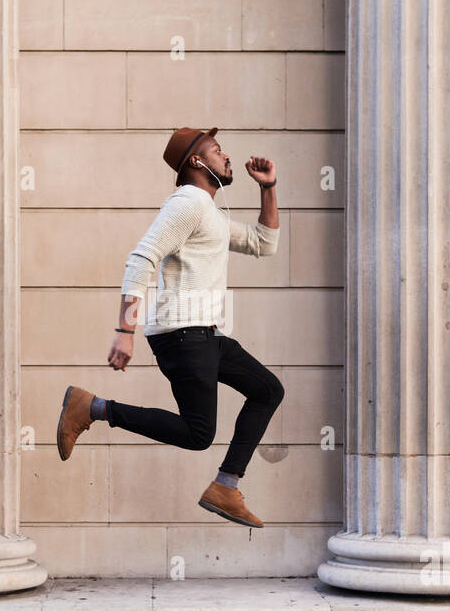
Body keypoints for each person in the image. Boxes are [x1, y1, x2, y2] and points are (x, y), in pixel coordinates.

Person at [56, 126, 284, 527]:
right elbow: (141, 258)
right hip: (183, 334)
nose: (227, 156)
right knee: (198, 434)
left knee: (267, 390)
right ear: (197, 162)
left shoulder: (207, 212)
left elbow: (262, 243)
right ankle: (93, 407)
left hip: (206, 335)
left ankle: (226, 486)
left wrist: (268, 188)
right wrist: (125, 330)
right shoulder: (188, 204)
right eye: (217, 150)